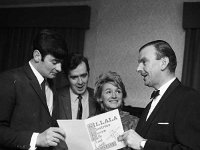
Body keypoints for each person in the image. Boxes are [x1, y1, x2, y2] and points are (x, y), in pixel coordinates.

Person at [119, 40, 200, 150]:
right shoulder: (150, 105)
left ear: (163, 63)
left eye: (144, 62)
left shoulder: (188, 98)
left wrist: (143, 144)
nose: (138, 69)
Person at [0, 29, 68, 150]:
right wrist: (36, 139)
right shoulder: (9, 79)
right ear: (37, 55)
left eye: (61, 63)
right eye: (54, 62)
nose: (59, 68)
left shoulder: (51, 84)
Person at [57, 53, 99, 120]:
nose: (80, 82)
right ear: (67, 78)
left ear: (88, 74)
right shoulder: (56, 96)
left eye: (84, 75)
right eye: (74, 77)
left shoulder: (97, 96)